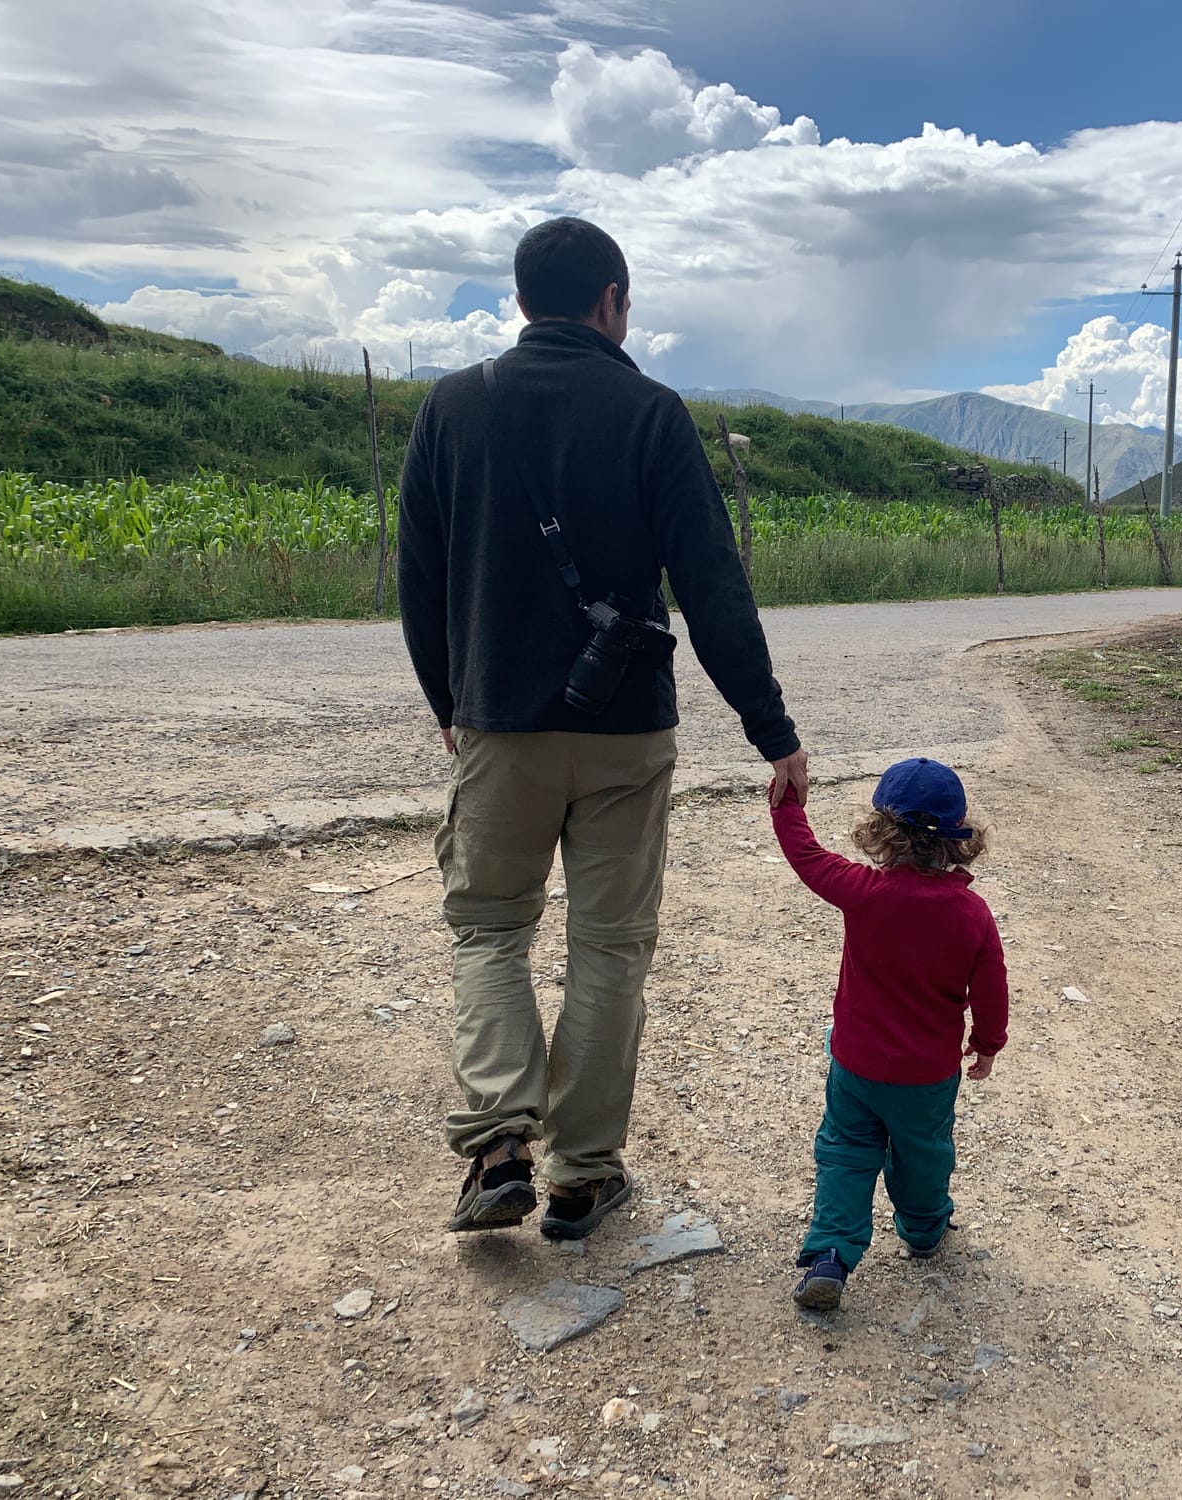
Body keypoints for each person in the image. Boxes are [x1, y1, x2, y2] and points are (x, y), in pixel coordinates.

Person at [399, 217, 808, 1240]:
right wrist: (771, 730)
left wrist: (450, 700)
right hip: (626, 729)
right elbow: (713, 588)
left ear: (521, 297)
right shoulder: (650, 412)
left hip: (498, 719)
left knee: (490, 927)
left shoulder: (453, 408)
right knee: (609, 948)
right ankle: (582, 1175)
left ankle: (497, 1145)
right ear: (613, 300)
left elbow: (418, 579)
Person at [769, 757, 1009, 1310]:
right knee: (924, 1152)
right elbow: (991, 987)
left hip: (855, 1064)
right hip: (927, 1075)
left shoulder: (863, 892)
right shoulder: (972, 913)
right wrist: (987, 1042)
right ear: (958, 839)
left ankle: (829, 1255)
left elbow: (806, 856)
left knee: (846, 1151)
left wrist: (786, 804)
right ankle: (924, 1232)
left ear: (881, 831)